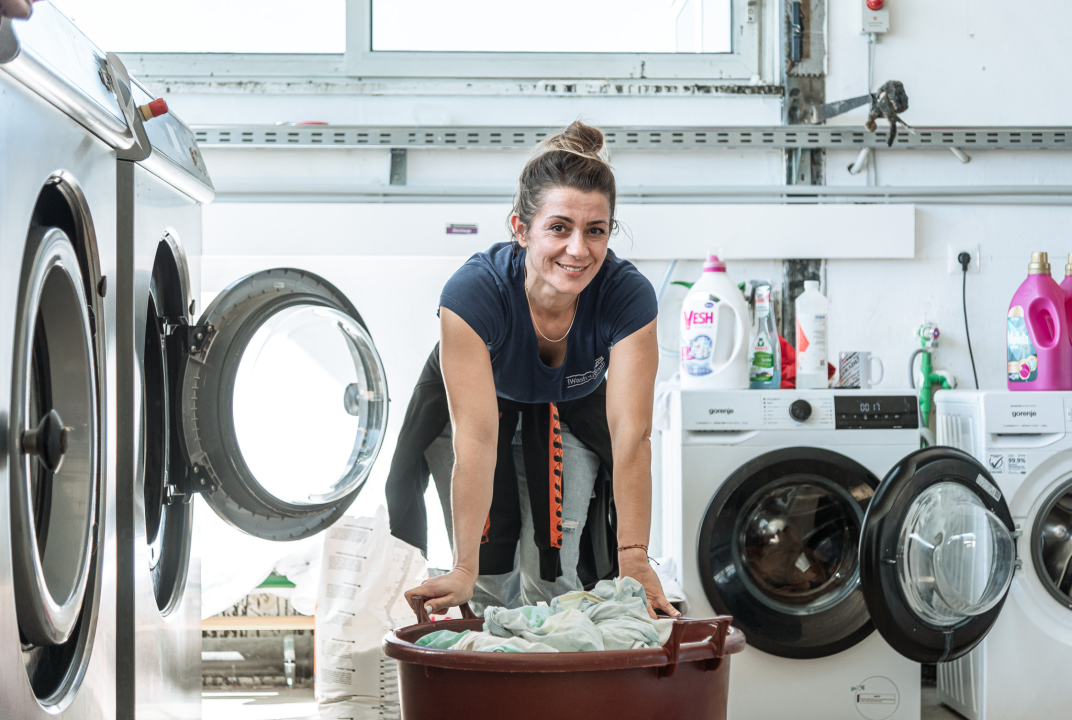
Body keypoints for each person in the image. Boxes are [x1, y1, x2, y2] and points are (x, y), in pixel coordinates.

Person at [393, 120, 677, 619]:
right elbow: (476, 440)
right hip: (476, 407)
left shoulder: (626, 296)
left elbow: (632, 435)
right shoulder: (473, 294)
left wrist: (634, 557)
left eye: (595, 231)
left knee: (555, 576)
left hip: (570, 404)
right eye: (559, 228)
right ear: (521, 229)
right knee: (488, 576)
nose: (579, 249)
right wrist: (462, 566)